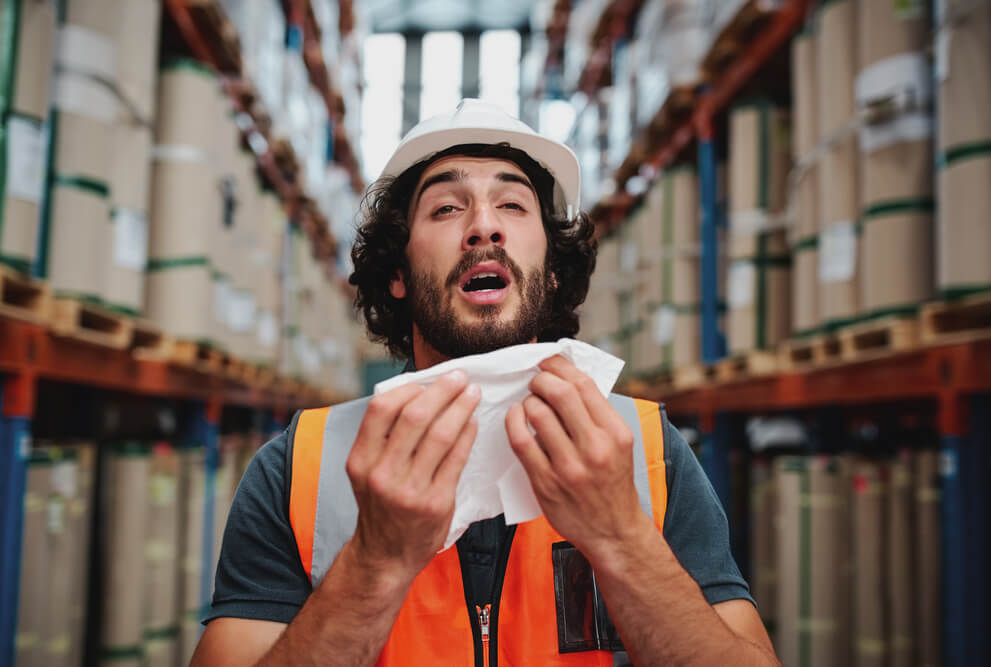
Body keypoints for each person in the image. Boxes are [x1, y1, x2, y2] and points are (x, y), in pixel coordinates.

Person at [192, 99, 778, 666]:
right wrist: (375, 562)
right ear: (397, 274)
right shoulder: (300, 468)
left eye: (513, 206)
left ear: (550, 274)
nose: (483, 226)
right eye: (447, 208)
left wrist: (622, 537)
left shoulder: (646, 453)